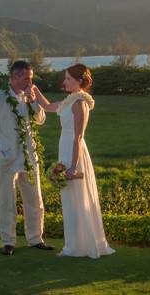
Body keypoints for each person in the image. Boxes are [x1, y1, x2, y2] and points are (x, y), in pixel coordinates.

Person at [33, 64, 115, 258]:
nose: (64, 82)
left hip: (74, 153)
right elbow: (48, 107)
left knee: (77, 198)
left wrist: (72, 166)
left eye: (68, 79)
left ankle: (77, 247)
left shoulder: (80, 103)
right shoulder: (70, 100)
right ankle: (74, 245)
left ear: (79, 81)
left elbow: (78, 137)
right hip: (65, 149)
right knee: (69, 200)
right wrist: (35, 90)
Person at [0, 60, 54, 256]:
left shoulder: (31, 95)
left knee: (35, 200)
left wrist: (33, 102)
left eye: (31, 78)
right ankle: (8, 241)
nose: (31, 82)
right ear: (15, 77)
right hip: (7, 160)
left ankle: (36, 238)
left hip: (30, 158)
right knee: (7, 202)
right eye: (27, 78)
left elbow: (41, 120)